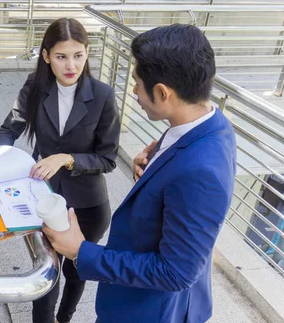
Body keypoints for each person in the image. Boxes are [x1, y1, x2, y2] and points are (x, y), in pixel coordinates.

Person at [42, 24, 237, 323]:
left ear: (162, 92)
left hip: (148, 311)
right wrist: (156, 161)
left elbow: (176, 272)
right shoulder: (210, 123)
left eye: (136, 83)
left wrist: (82, 251)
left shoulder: (201, 171)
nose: (132, 91)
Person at [0, 18, 120, 323]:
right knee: (46, 275)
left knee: (76, 272)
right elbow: (10, 129)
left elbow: (108, 159)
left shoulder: (102, 95)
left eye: (78, 55)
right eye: (62, 56)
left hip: (88, 205)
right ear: (46, 55)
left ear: (87, 52)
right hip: (45, 199)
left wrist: (66, 158)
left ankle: (66, 318)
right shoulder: (35, 88)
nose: (71, 65)